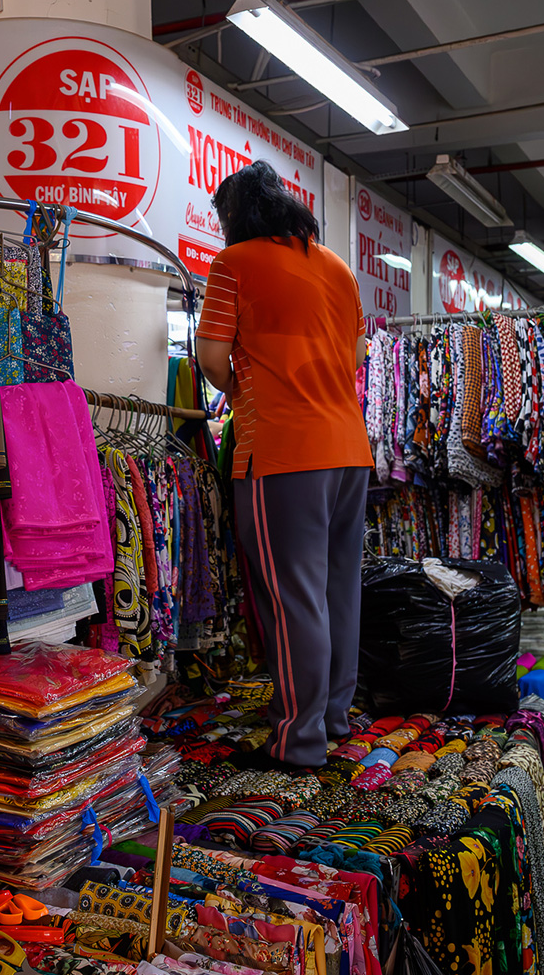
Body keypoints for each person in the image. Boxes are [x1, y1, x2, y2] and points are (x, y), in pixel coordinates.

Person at [195, 160, 373, 769]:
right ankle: (333, 719)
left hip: (282, 454)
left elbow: (213, 360)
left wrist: (242, 388)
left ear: (233, 216)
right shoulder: (338, 268)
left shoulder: (232, 266)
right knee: (337, 591)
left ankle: (298, 742)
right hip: (350, 451)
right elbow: (355, 355)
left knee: (295, 596)